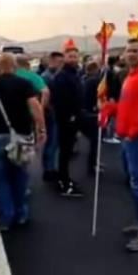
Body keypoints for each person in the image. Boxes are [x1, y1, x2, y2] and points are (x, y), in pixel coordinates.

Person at [0, 53, 45, 230]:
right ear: (15, 66)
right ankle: (21, 213)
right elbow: (35, 107)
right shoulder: (24, 84)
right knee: (20, 175)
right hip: (21, 136)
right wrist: (41, 129)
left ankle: (6, 217)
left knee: (0, 178)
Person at [107, 39, 138, 252]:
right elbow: (128, 106)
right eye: (128, 51)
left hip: (137, 139)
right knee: (135, 184)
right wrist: (112, 109)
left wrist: (131, 133)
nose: (131, 54)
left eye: (135, 51)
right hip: (129, 138)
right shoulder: (131, 77)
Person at [50, 47, 86, 197]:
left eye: (75, 56)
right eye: (70, 56)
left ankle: (64, 178)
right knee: (65, 152)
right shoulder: (62, 76)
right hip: (66, 120)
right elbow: (59, 100)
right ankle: (64, 183)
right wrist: (69, 117)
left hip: (74, 118)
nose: (73, 59)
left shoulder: (74, 74)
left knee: (67, 151)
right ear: (65, 58)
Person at [40, 51, 63, 183]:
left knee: (54, 143)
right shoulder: (47, 77)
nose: (61, 64)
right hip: (51, 114)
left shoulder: (54, 75)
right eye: (59, 62)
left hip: (55, 113)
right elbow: (45, 98)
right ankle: (48, 170)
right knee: (52, 143)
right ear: (52, 61)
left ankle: (50, 168)